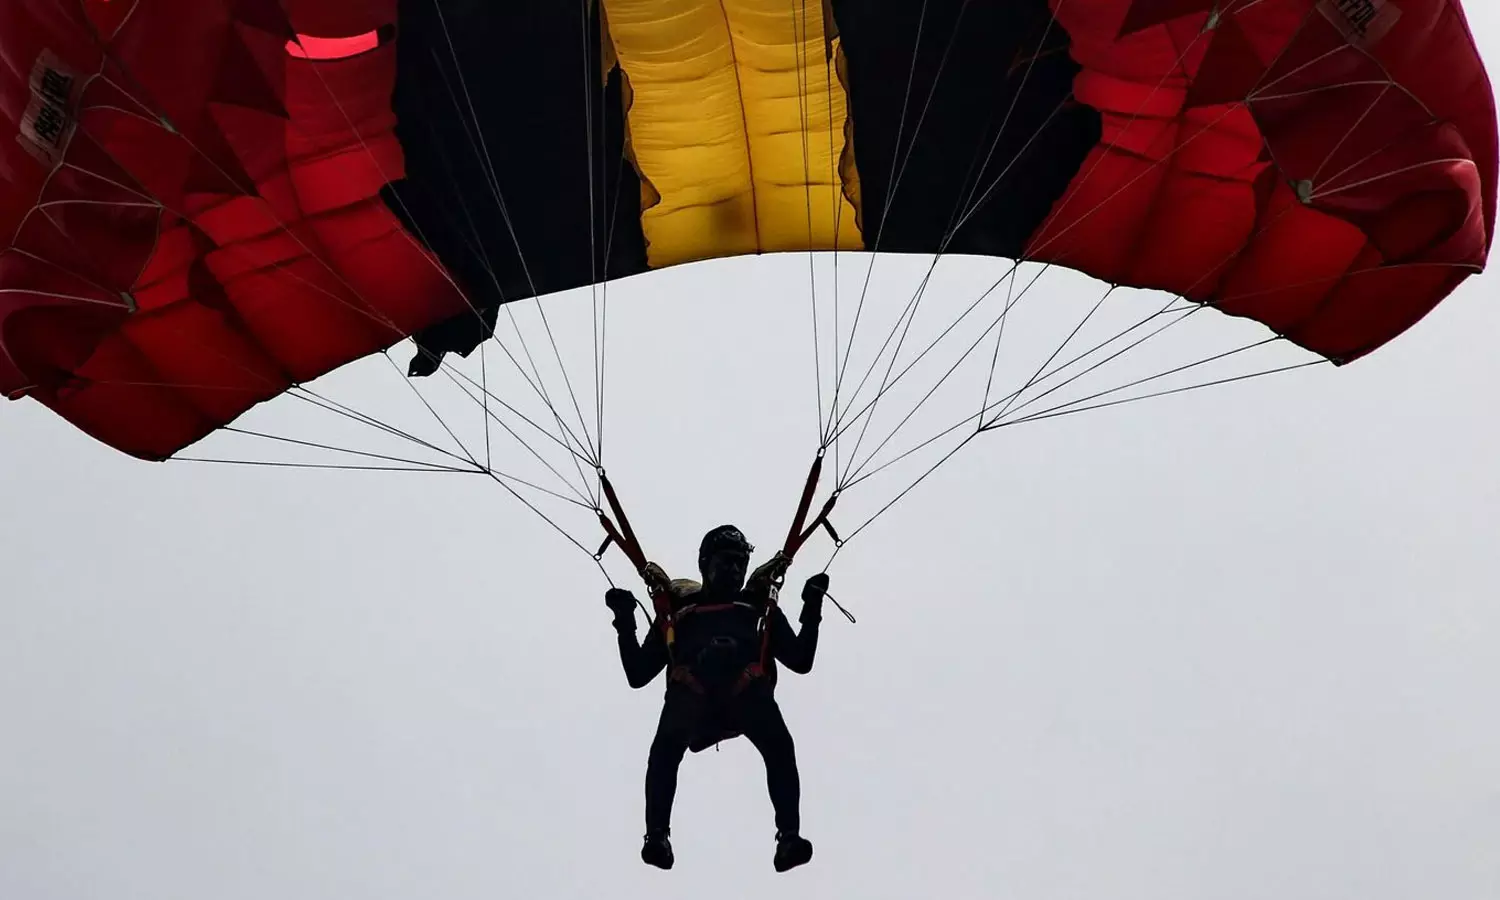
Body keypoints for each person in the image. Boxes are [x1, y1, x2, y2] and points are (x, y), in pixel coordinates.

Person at [605, 524, 830, 872]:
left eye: (741, 563)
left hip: (745, 695)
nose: (735, 570)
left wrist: (811, 605)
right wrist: (625, 620)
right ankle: (657, 837)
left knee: (781, 747)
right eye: (727, 562)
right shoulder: (680, 612)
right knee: (664, 751)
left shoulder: (756, 608)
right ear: (705, 564)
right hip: (693, 695)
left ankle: (788, 838)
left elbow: (800, 660)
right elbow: (638, 673)